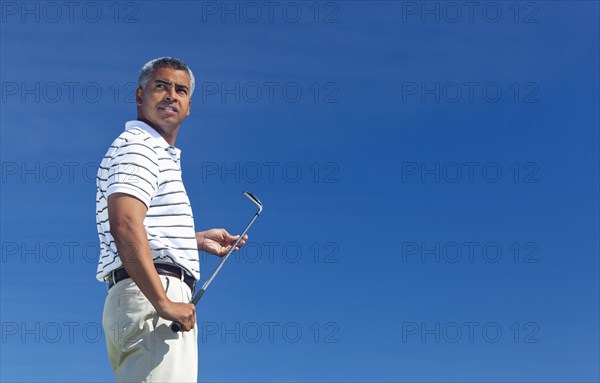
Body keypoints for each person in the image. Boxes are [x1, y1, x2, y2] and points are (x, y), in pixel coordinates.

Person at [95, 57, 247, 382]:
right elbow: (124, 224)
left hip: (146, 297)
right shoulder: (140, 145)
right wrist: (163, 302)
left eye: (181, 90)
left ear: (189, 106)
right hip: (153, 298)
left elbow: (140, 227)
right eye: (161, 86)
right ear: (140, 96)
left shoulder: (152, 151)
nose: (171, 96)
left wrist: (193, 241)